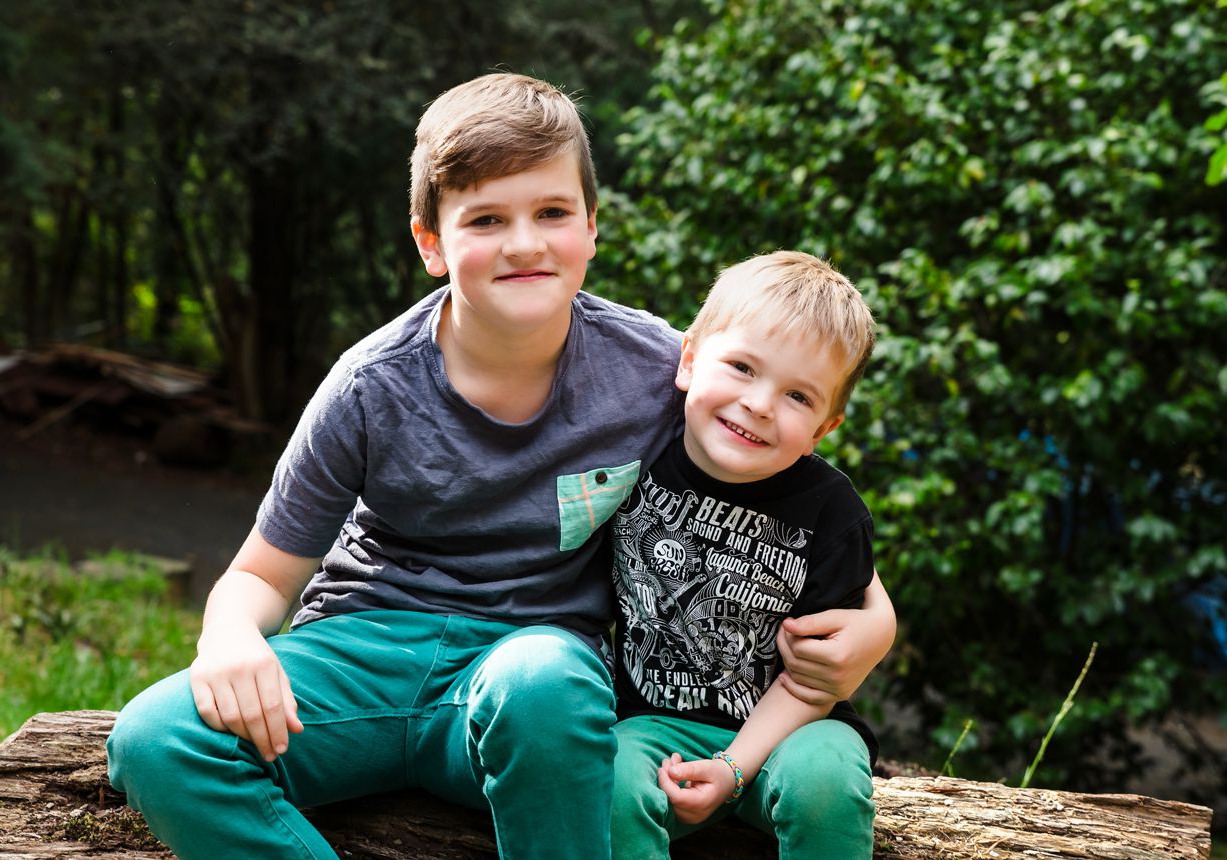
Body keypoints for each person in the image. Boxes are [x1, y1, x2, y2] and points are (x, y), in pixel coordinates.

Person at [105, 73, 894, 860]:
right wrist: (229, 635)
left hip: (531, 681)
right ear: (430, 243)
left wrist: (875, 627)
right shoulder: (369, 385)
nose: (524, 242)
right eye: (486, 218)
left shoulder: (661, 369)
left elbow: (796, 497)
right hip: (363, 658)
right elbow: (261, 576)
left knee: (545, 678)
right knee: (154, 741)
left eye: (551, 212)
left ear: (591, 226)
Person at [609, 251, 884, 859]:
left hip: (798, 730)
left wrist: (734, 768)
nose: (759, 403)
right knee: (606, 784)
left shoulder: (832, 513)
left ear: (824, 429)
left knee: (826, 782)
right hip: (650, 724)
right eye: (741, 367)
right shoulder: (633, 458)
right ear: (688, 360)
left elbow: (814, 679)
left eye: (798, 396)